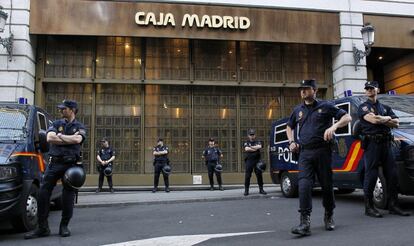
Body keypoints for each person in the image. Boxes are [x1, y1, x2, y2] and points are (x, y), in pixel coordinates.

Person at [286, 79, 352, 236]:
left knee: (327, 186)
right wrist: (291, 141)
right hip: (305, 153)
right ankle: (304, 223)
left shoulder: (326, 106)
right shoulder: (298, 110)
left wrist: (334, 126)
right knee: (303, 185)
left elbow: (347, 117)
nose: (303, 91)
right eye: (301, 89)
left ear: (315, 90)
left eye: (307, 89)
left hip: (323, 151)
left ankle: (329, 215)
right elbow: (289, 126)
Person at [25, 100, 86, 239]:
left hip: (71, 165)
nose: (61, 111)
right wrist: (66, 138)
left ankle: (64, 226)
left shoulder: (80, 126)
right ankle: (42, 228)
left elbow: (78, 140)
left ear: (72, 110)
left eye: (64, 109)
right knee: (42, 193)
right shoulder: (56, 124)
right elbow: (49, 137)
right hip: (54, 164)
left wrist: (60, 137)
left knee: (68, 196)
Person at [358, 81, 410, 218]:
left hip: (387, 144)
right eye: (367, 89)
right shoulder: (363, 107)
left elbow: (397, 123)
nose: (369, 90)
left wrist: (383, 119)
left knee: (392, 175)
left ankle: (393, 205)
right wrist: (388, 119)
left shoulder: (385, 107)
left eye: (372, 88)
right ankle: (369, 207)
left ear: (377, 89)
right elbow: (374, 120)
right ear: (365, 91)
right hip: (372, 144)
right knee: (371, 176)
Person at [243, 129, 267, 196]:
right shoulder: (246, 142)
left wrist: (251, 147)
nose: (252, 136)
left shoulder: (258, 141)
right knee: (247, 176)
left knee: (259, 175)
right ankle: (246, 190)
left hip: (257, 160)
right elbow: (246, 149)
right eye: (250, 135)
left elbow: (259, 146)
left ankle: (261, 189)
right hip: (249, 161)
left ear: (255, 135)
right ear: (248, 135)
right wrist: (255, 148)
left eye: (253, 135)